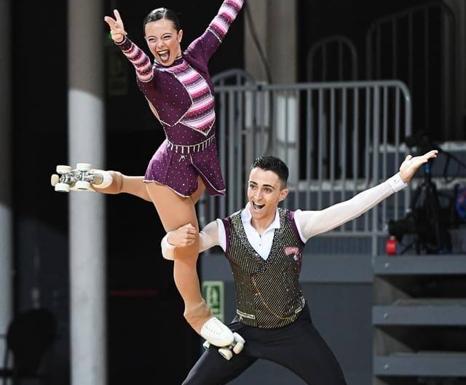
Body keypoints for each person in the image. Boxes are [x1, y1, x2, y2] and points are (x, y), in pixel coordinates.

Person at [160, 150, 438, 385]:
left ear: (282, 194)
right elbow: (181, 251)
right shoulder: (224, 229)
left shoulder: (297, 224)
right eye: (253, 185)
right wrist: (167, 241)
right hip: (245, 331)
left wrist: (399, 180)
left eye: (267, 189)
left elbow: (351, 207)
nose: (257, 195)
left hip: (292, 329)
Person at [100, 1, 246, 347]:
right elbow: (143, 67)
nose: (160, 45)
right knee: (186, 241)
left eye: (166, 36)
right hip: (170, 167)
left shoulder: (195, 57)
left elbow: (221, 23)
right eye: (152, 40)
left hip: (198, 160)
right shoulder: (155, 79)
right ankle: (196, 312)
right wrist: (124, 43)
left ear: (180, 36)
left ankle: (116, 182)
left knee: (176, 218)